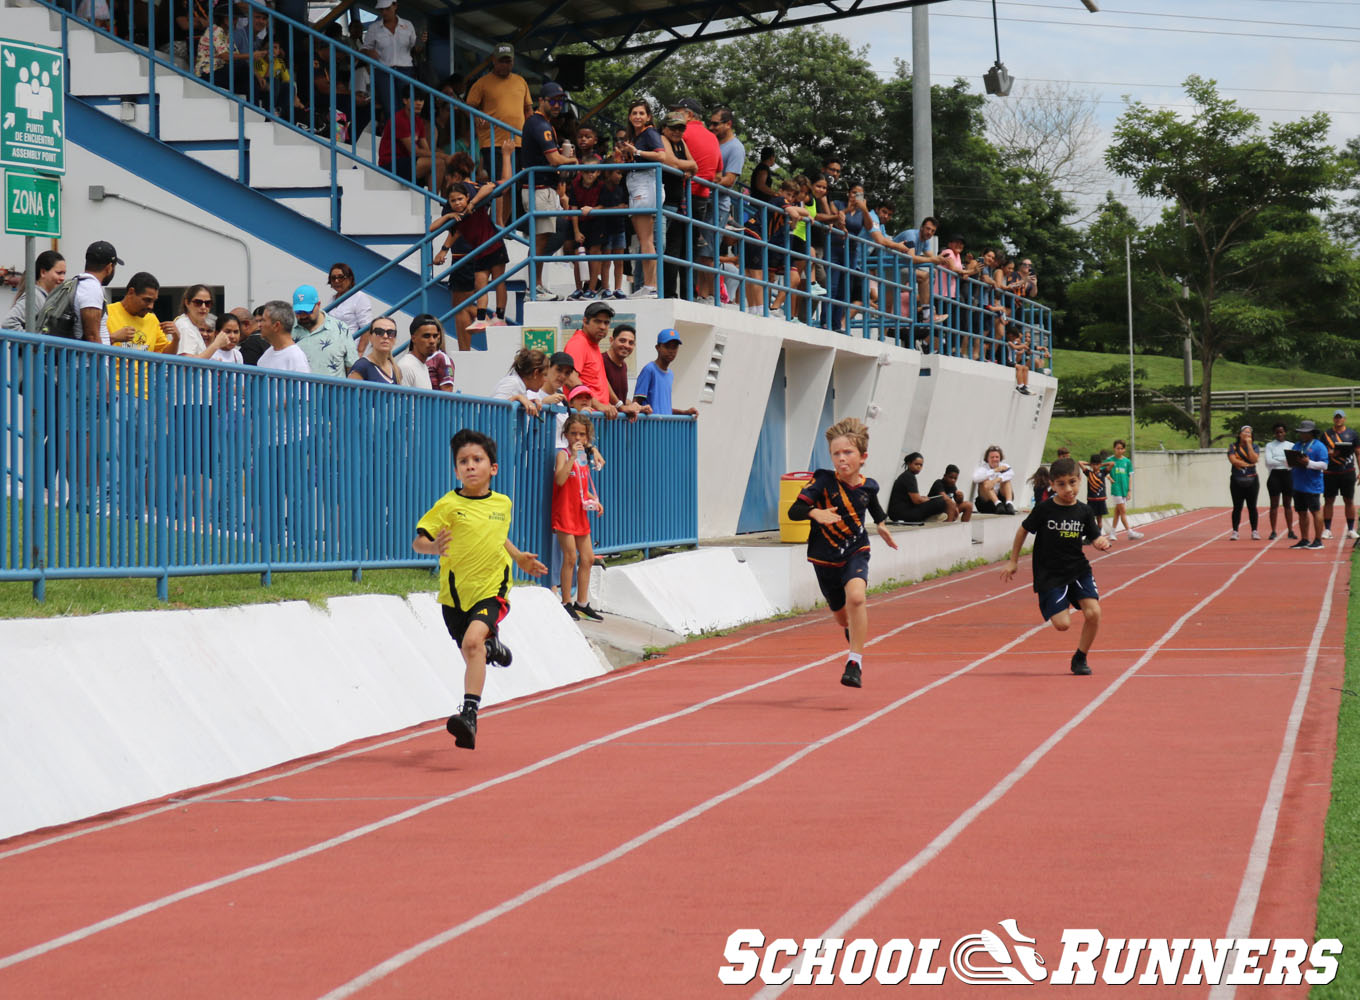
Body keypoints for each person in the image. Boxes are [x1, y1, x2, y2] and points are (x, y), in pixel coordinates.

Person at [412, 428, 548, 750]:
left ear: (493, 468)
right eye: (463, 461)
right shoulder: (448, 504)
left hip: (492, 589)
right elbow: (419, 541)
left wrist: (518, 558)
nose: (470, 466)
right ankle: (492, 649)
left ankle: (469, 715)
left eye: (477, 459)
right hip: (455, 596)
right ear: (456, 469)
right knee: (472, 651)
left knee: (472, 641)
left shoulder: (503, 503)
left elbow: (497, 534)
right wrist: (433, 547)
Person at [785, 417, 899, 689]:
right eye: (836, 453)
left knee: (857, 598)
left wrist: (881, 526)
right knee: (841, 616)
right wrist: (815, 512)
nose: (841, 458)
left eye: (848, 452)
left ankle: (854, 662)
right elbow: (794, 511)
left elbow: (874, 507)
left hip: (856, 550)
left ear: (863, 457)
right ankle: (851, 630)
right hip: (824, 558)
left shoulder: (869, 485)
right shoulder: (822, 480)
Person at [1001, 456, 1112, 676]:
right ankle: (1059, 599)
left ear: (1080, 480)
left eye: (1072, 482)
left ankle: (1080, 658)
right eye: (1061, 484)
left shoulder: (1084, 511)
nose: (1068, 489)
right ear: (1052, 485)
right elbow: (1023, 530)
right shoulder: (1045, 509)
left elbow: (1095, 536)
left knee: (1094, 613)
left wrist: (1100, 542)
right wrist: (1013, 561)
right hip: (1049, 573)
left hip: (1078, 569)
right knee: (1062, 625)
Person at [520, 81, 578, 300]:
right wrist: (571, 159)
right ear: (541, 101)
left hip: (544, 189)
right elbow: (554, 159)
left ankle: (536, 286)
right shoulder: (539, 124)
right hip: (539, 189)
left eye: (560, 101)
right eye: (553, 100)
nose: (557, 105)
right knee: (540, 240)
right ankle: (533, 288)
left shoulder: (542, 123)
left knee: (543, 239)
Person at [463, 42, 532, 202]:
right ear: (493, 60)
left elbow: (528, 110)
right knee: (502, 186)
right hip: (493, 142)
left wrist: (530, 133)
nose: (505, 64)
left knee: (516, 186)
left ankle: (505, 224)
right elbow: (468, 106)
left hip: (519, 141)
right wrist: (475, 115)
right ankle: (499, 221)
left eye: (508, 61)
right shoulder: (482, 83)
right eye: (501, 61)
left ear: (513, 62)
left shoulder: (521, 81)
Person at [554, 412, 605, 623]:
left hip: (580, 512)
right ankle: (566, 601)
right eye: (573, 433)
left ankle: (582, 602)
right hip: (565, 512)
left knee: (588, 558)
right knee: (570, 557)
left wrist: (594, 499)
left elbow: (583, 486)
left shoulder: (585, 457)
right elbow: (559, 480)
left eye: (581, 435)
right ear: (566, 434)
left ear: (587, 437)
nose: (577, 438)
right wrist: (572, 457)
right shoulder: (564, 455)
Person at [290, 284, 356, 378]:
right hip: (298, 391)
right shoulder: (287, 330)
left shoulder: (340, 329)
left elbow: (352, 367)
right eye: (299, 312)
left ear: (318, 305)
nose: (303, 316)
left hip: (332, 391)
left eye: (307, 311)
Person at [632, 328, 697, 416]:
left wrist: (685, 412)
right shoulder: (649, 370)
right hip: (650, 427)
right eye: (667, 346)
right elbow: (636, 405)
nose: (671, 351)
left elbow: (663, 409)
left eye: (675, 347)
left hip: (664, 427)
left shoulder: (670, 374)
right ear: (658, 347)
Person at [1289, 419, 1329, 550]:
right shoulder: (1297, 445)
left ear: (1311, 433)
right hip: (1298, 484)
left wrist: (1308, 463)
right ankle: (1304, 539)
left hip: (1312, 485)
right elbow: (1291, 460)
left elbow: (1324, 465)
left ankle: (1318, 540)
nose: (1302, 434)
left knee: (1315, 511)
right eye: (1301, 432)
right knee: (1301, 512)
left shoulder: (1319, 446)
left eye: (1304, 432)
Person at [2, 250, 65, 330]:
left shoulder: (44, 298)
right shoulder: (35, 297)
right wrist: (31, 341)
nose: (62, 278)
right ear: (43, 272)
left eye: (64, 273)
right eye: (59, 273)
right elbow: (8, 323)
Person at [1321, 409, 1359, 539]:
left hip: (1347, 471)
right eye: (1336, 417)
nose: (1338, 419)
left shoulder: (1352, 434)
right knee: (1328, 500)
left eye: (1340, 417)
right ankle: (1327, 529)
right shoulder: (1326, 435)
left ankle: (1350, 528)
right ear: (1333, 419)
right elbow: (1321, 452)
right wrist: (1329, 454)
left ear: (1344, 419)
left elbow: (1358, 453)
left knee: (1348, 500)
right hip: (1330, 472)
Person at [76, 241, 123, 344]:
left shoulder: (79, 283)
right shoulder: (91, 288)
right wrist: (100, 360)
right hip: (88, 360)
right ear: (109, 267)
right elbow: (92, 335)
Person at [887, 452, 955, 524]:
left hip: (898, 513)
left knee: (938, 501)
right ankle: (944, 524)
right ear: (909, 464)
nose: (919, 467)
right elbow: (917, 500)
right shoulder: (909, 477)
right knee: (941, 502)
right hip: (902, 514)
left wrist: (922, 498)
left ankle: (930, 517)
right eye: (916, 464)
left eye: (921, 465)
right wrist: (924, 499)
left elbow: (914, 498)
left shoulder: (907, 476)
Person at [396, 314, 455, 392]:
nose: (432, 341)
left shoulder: (423, 365)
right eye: (426, 336)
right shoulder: (406, 366)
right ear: (413, 338)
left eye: (435, 336)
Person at [326, 263, 373, 350]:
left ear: (350, 279)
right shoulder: (332, 299)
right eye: (333, 278)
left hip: (350, 350)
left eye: (340, 277)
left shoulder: (359, 297)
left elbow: (366, 328)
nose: (336, 281)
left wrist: (359, 352)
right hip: (332, 349)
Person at [1262, 422, 1297, 541]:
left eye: (1281, 432)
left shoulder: (1291, 445)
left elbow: (1293, 461)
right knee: (1274, 505)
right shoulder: (1269, 446)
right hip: (1274, 475)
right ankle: (1273, 531)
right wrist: (1285, 460)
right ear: (1274, 434)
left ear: (1285, 432)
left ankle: (1291, 530)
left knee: (1288, 504)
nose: (1279, 434)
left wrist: (1278, 459)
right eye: (1277, 432)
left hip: (1287, 475)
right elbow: (1268, 462)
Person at [256, 299, 310, 373]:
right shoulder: (265, 356)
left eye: (263, 320)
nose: (259, 325)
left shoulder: (296, 357)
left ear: (276, 325)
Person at [1227, 425, 1260, 541]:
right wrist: (1247, 465)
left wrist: (1249, 444)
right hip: (1237, 479)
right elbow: (1233, 460)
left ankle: (1254, 531)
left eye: (1249, 433)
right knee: (1237, 507)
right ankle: (1235, 531)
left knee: (1252, 506)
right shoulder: (1233, 446)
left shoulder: (1255, 446)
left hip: (1252, 479)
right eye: (1245, 432)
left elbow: (1254, 459)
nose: (1247, 435)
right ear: (1239, 434)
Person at [1105, 439, 1144, 540]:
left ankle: (1112, 533)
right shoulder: (1109, 460)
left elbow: (1130, 476)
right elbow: (1102, 470)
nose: (1119, 450)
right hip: (1116, 488)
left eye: (1121, 448)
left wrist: (1129, 490)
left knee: (1117, 512)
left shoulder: (1127, 461)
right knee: (1123, 511)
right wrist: (1109, 477)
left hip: (1124, 489)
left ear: (1124, 449)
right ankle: (1130, 532)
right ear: (1114, 449)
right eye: (1117, 448)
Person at [170, 284, 222, 359]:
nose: (203, 307)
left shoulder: (191, 326)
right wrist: (216, 344)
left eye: (207, 303)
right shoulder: (185, 326)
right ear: (187, 303)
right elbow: (187, 363)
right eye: (198, 302)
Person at [348, 320, 403, 384]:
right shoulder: (361, 367)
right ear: (370, 337)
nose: (385, 336)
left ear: (395, 339)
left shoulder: (396, 370)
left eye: (391, 333)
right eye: (379, 332)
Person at [972, 445, 1015, 514]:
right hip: (987, 502)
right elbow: (975, 478)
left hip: (1001, 499)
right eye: (992, 457)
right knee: (985, 481)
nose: (995, 459)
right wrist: (995, 470)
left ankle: (1009, 504)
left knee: (1006, 481)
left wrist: (996, 480)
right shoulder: (983, 468)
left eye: (997, 457)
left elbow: (1011, 474)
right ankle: (997, 503)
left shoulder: (1004, 466)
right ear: (987, 459)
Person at [602, 323, 637, 409]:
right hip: (600, 420)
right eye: (622, 341)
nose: (626, 345)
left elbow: (620, 398)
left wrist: (636, 407)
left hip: (616, 421)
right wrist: (621, 406)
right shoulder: (600, 361)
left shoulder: (624, 366)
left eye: (631, 343)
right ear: (611, 340)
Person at [1084, 451, 1109, 528]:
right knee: (1090, 518)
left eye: (1097, 464)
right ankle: (1092, 535)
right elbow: (1080, 463)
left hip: (1101, 499)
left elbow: (1112, 464)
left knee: (1099, 520)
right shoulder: (1089, 473)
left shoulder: (1103, 472)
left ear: (1100, 464)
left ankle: (1099, 534)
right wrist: (1089, 464)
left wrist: (1101, 465)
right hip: (1091, 499)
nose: (1095, 466)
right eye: (1093, 464)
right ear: (1091, 465)